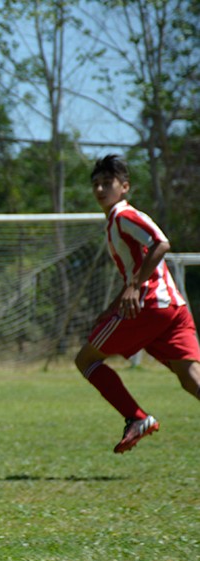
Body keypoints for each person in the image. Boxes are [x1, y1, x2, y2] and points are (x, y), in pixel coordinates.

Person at [75, 154, 200, 453]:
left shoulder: (123, 216)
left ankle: (136, 418)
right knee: (189, 375)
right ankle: (136, 418)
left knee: (86, 360)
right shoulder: (114, 223)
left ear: (125, 187)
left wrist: (134, 286)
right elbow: (139, 267)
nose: (101, 190)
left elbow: (161, 243)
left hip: (150, 307)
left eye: (108, 183)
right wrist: (112, 306)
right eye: (96, 184)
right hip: (173, 307)